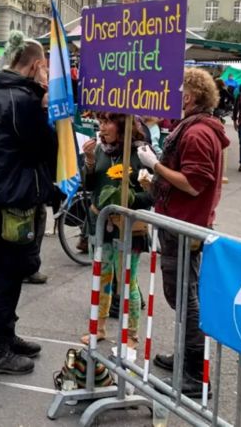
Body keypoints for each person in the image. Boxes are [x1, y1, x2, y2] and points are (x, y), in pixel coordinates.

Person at [137, 68, 229, 398]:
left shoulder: (197, 133)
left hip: (186, 224)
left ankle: (194, 371)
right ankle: (186, 357)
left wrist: (155, 167)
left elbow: (193, 183)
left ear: (189, 97)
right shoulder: (195, 129)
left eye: (178, 92)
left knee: (184, 297)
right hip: (182, 221)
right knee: (180, 293)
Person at [0, 33, 53, 375]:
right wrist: (47, 105)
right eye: (45, 68)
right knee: (9, 275)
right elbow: (43, 150)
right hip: (15, 197)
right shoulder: (25, 100)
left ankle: (4, 334)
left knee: (7, 272)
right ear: (36, 65)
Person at [80, 113, 153, 349]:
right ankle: (98, 328)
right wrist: (89, 161)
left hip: (130, 228)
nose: (102, 128)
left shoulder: (140, 152)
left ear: (123, 125)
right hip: (102, 225)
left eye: (107, 123)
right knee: (102, 278)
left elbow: (152, 193)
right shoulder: (101, 150)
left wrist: (129, 199)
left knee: (127, 282)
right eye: (100, 123)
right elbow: (89, 186)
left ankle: (132, 335)